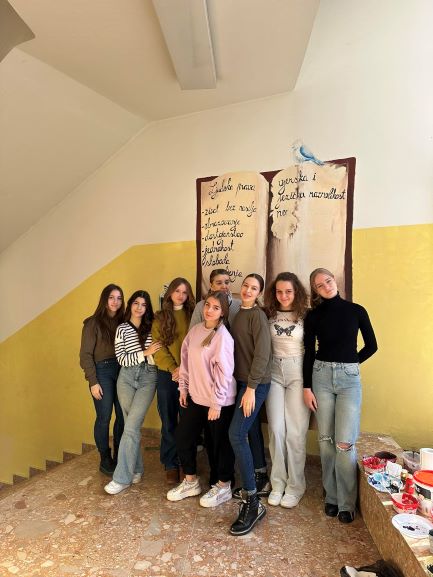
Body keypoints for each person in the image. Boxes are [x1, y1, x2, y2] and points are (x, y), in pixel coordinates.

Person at [303, 268, 378, 523]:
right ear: (315, 290)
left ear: (334, 281)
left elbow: (372, 345)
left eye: (328, 280)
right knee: (325, 440)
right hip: (321, 377)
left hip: (349, 381)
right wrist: (306, 387)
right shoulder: (313, 316)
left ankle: (347, 502)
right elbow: (309, 353)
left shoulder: (356, 311)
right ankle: (331, 497)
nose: (326, 286)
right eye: (319, 285)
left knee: (344, 443)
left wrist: (351, 363)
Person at [166, 292, 236, 507]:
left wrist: (217, 403)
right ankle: (191, 481)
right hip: (196, 398)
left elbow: (224, 373)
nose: (209, 310)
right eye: (207, 305)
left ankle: (224, 486)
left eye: (216, 307)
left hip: (219, 401)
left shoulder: (223, 336)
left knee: (219, 444)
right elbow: (185, 363)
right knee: (183, 436)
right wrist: (183, 389)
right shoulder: (195, 331)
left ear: (222, 312)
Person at [104, 290, 161, 494]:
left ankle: (121, 478)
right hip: (126, 377)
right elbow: (122, 358)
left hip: (148, 377)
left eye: (143, 304)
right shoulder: (122, 329)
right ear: (130, 305)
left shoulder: (154, 327)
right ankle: (136, 468)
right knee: (131, 425)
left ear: (147, 308)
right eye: (136, 303)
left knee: (131, 426)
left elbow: (158, 354)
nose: (139, 307)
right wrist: (145, 353)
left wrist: (147, 355)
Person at [228, 273, 272, 536]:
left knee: (236, 434)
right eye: (245, 285)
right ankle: (259, 473)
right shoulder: (237, 314)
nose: (247, 290)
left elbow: (263, 354)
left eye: (253, 288)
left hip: (255, 384)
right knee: (251, 428)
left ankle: (252, 501)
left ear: (259, 293)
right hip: (241, 382)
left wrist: (252, 389)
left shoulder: (257, 316)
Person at [264, 272, 310, 508]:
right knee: (276, 430)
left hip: (297, 372)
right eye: (279, 291)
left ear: (296, 292)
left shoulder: (305, 315)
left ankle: (295, 486)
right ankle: (278, 483)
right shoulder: (268, 314)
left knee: (295, 432)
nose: (283, 296)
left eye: (288, 291)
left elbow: (312, 349)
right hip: (273, 372)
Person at [152, 277, 196, 484]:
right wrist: (173, 368)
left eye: (185, 292)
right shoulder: (159, 317)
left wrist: (184, 369)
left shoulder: (194, 314)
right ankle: (170, 464)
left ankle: (187, 465)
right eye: (177, 291)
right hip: (167, 375)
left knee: (187, 423)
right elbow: (158, 348)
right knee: (168, 421)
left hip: (191, 374)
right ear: (170, 292)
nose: (180, 295)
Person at [80, 284, 125, 475]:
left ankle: (119, 455)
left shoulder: (124, 322)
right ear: (104, 300)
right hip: (102, 372)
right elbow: (85, 355)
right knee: (104, 417)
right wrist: (93, 381)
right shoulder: (92, 323)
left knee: (122, 416)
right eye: (111, 297)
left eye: (119, 298)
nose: (115, 301)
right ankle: (105, 458)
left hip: (122, 370)